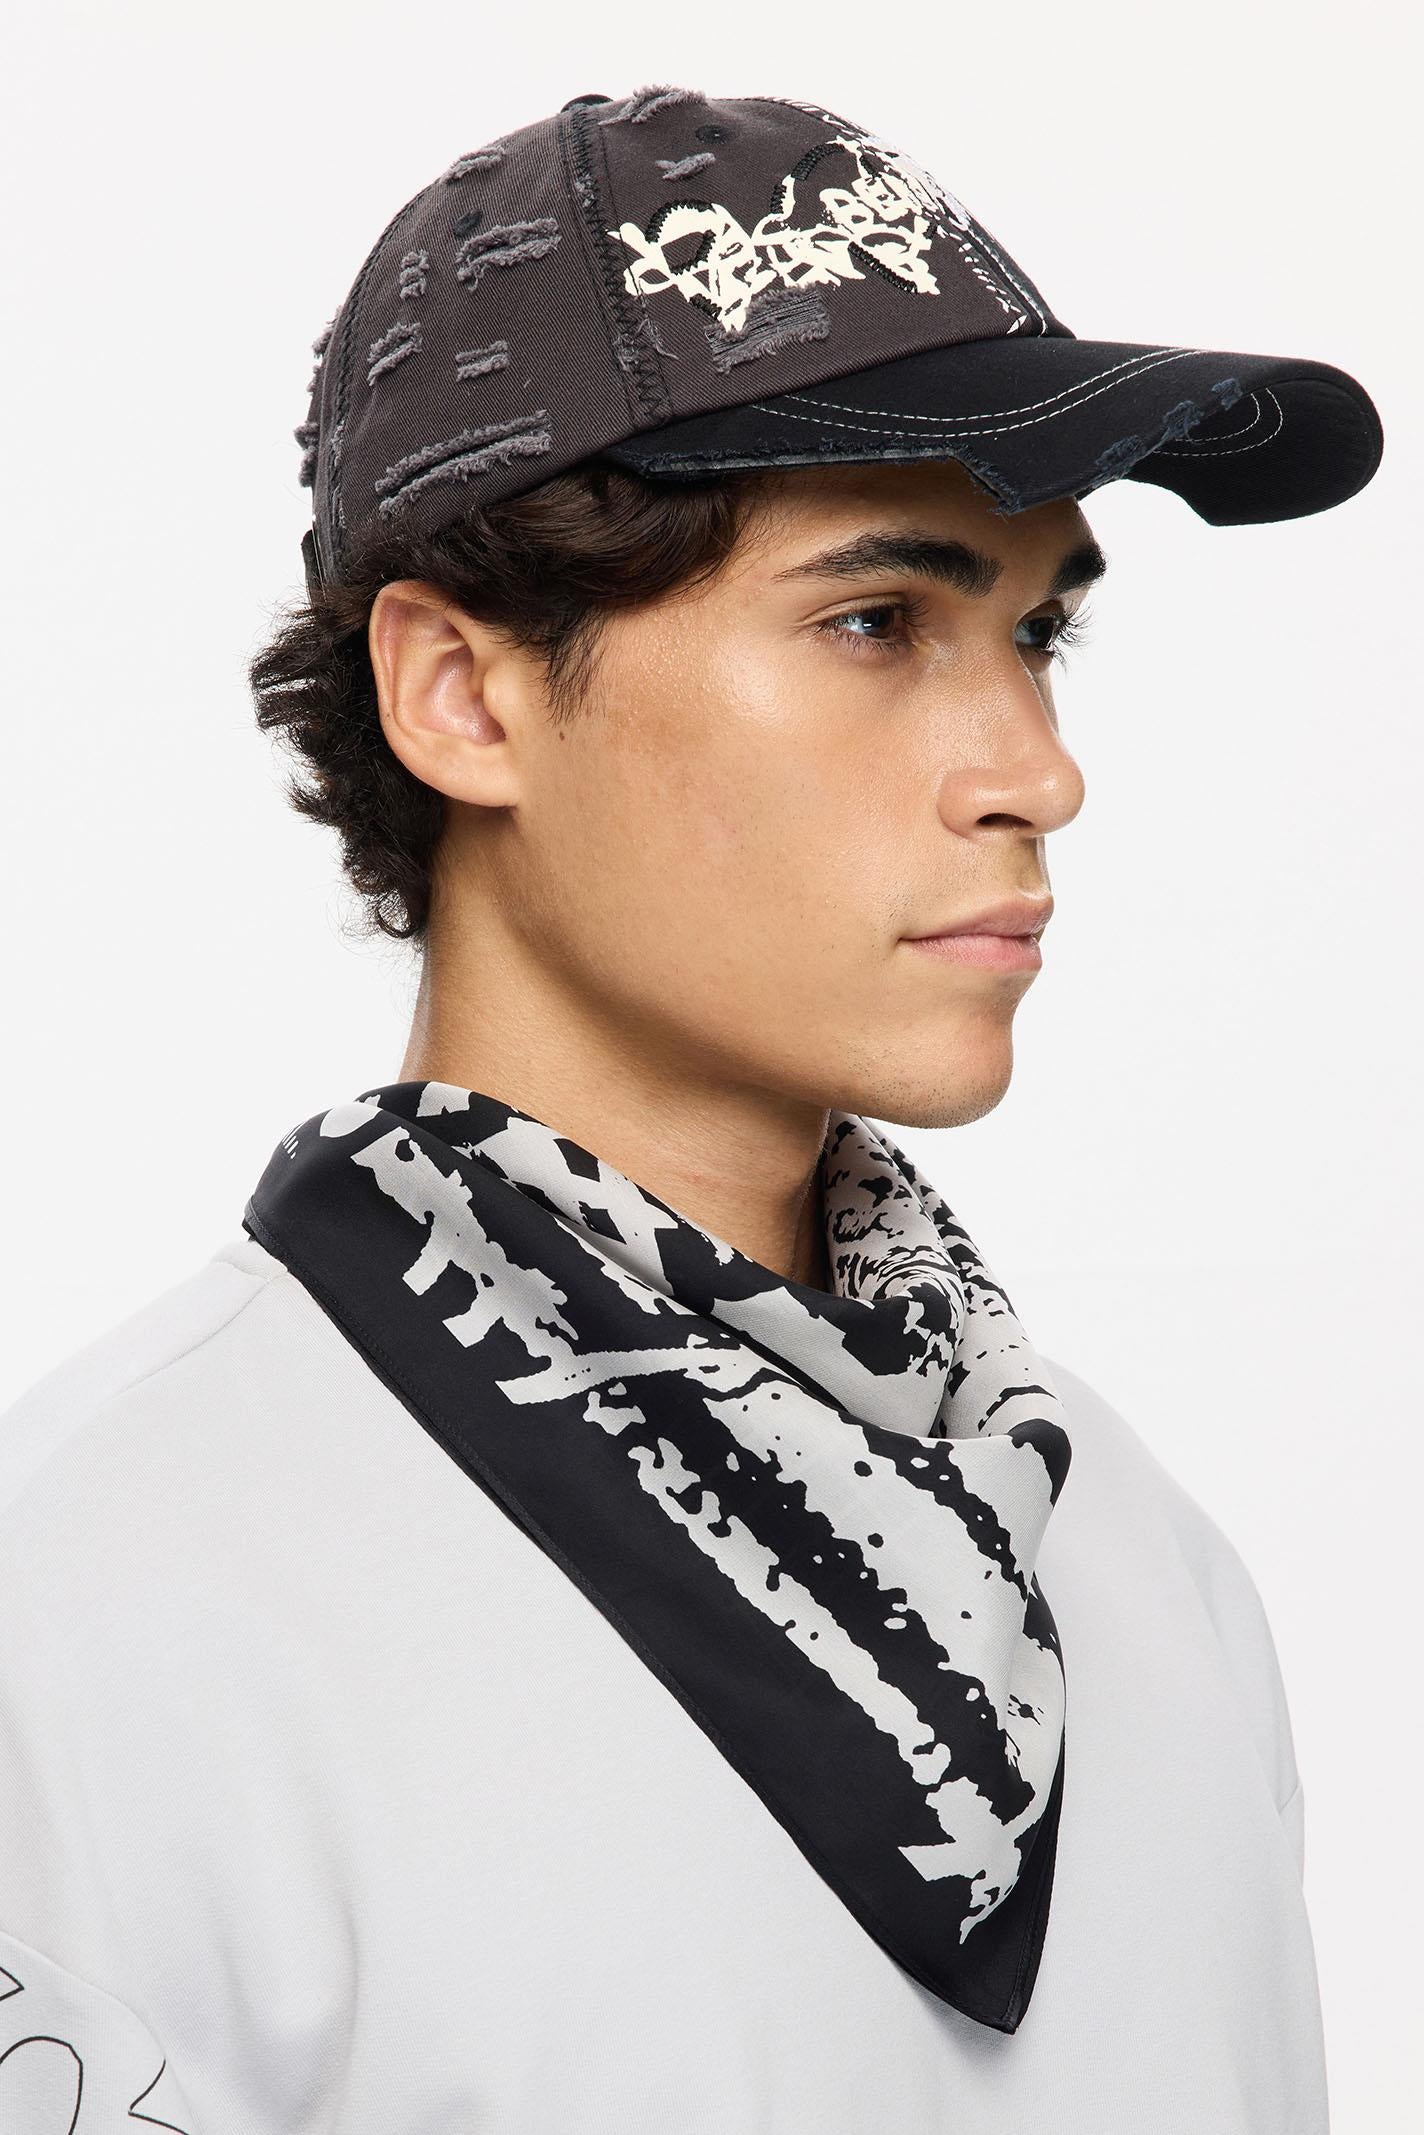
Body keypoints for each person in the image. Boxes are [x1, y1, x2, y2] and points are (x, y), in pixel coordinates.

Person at [0, 85, 1382, 2135]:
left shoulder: (1138, 1568)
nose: (1035, 767)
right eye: (874, 622)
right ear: (462, 694)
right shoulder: (87, 1619)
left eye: (1036, 630)